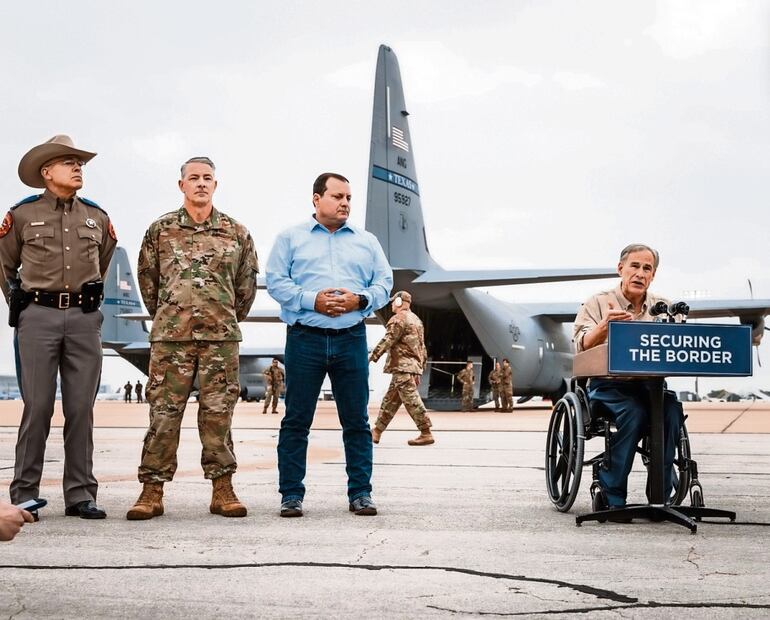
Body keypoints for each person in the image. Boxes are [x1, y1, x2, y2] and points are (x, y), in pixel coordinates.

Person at [126, 156, 259, 520]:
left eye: (208, 178)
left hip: (220, 340)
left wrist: (221, 317)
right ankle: (151, 491)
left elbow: (245, 290)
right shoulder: (161, 230)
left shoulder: (237, 232)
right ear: (181, 184)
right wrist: (172, 316)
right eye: (194, 178)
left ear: (216, 184)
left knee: (218, 415)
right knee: (164, 415)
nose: (201, 183)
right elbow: (148, 283)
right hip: (172, 339)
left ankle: (223, 489)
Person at [0, 135, 116, 519]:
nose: (78, 167)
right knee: (38, 406)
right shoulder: (21, 215)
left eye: (80, 162)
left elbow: (103, 260)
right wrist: (23, 305)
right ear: (46, 172)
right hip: (38, 318)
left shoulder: (97, 217)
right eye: (69, 162)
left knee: (82, 407)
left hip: (84, 319)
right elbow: (4, 265)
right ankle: (24, 494)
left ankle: (80, 494)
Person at [266, 172, 392, 518]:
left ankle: (361, 493)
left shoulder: (367, 242)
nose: (345, 203)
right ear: (316, 199)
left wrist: (361, 299)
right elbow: (276, 282)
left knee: (356, 422)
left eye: (349, 198)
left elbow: (384, 282)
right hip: (305, 338)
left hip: (351, 339)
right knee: (296, 420)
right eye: (337, 196)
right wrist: (311, 301)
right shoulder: (290, 239)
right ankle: (291, 495)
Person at [573, 243, 684, 509]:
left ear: (653, 275)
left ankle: (660, 492)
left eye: (647, 268)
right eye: (634, 266)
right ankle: (611, 492)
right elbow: (581, 344)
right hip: (608, 387)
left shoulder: (664, 307)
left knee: (670, 411)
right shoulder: (598, 302)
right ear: (620, 268)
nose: (640, 273)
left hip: (651, 387)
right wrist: (605, 326)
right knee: (633, 413)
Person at [369, 291, 434, 446]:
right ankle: (377, 431)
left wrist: (372, 356)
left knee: (411, 400)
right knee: (390, 400)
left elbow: (389, 339)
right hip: (410, 367)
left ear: (398, 302)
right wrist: (419, 369)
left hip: (402, 367)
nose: (391, 304)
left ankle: (426, 432)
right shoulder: (417, 320)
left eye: (393, 301)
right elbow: (422, 347)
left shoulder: (398, 318)